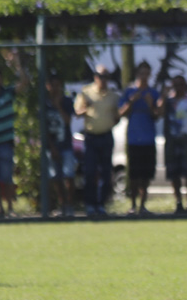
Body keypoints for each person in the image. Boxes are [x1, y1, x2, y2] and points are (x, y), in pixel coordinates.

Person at [73, 64, 120, 218]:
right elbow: (77, 113)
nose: (103, 79)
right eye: (100, 76)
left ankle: (101, 205)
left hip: (106, 136)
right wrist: (85, 108)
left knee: (106, 173)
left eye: (105, 77)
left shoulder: (113, 96)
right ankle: (90, 205)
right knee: (90, 172)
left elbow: (117, 117)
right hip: (91, 137)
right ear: (95, 77)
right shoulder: (86, 92)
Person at [118, 61, 159, 216]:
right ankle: (133, 205)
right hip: (134, 139)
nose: (144, 76)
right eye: (141, 73)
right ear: (137, 74)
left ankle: (143, 206)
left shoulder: (153, 93)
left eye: (147, 73)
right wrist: (131, 101)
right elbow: (121, 113)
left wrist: (150, 104)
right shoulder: (129, 91)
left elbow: (157, 115)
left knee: (146, 175)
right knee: (134, 175)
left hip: (149, 139)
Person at [159, 75, 187, 214]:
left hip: (186, 138)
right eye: (176, 85)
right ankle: (178, 202)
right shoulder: (169, 101)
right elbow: (159, 112)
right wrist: (163, 95)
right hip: (172, 140)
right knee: (174, 172)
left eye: (181, 85)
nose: (179, 88)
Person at [0, 54, 26, 219]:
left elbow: (24, 83)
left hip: (5, 143)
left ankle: (10, 208)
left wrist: (17, 64)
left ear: (1, 79)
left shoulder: (8, 93)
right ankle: (0, 209)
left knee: (6, 177)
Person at [45, 72, 76, 217]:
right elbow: (44, 129)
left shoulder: (67, 102)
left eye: (58, 85)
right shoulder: (44, 103)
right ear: (48, 86)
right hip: (52, 146)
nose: (55, 88)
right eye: (53, 85)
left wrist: (58, 106)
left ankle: (70, 206)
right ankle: (62, 205)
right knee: (56, 178)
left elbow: (68, 121)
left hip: (66, 145)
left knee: (69, 175)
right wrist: (51, 147)